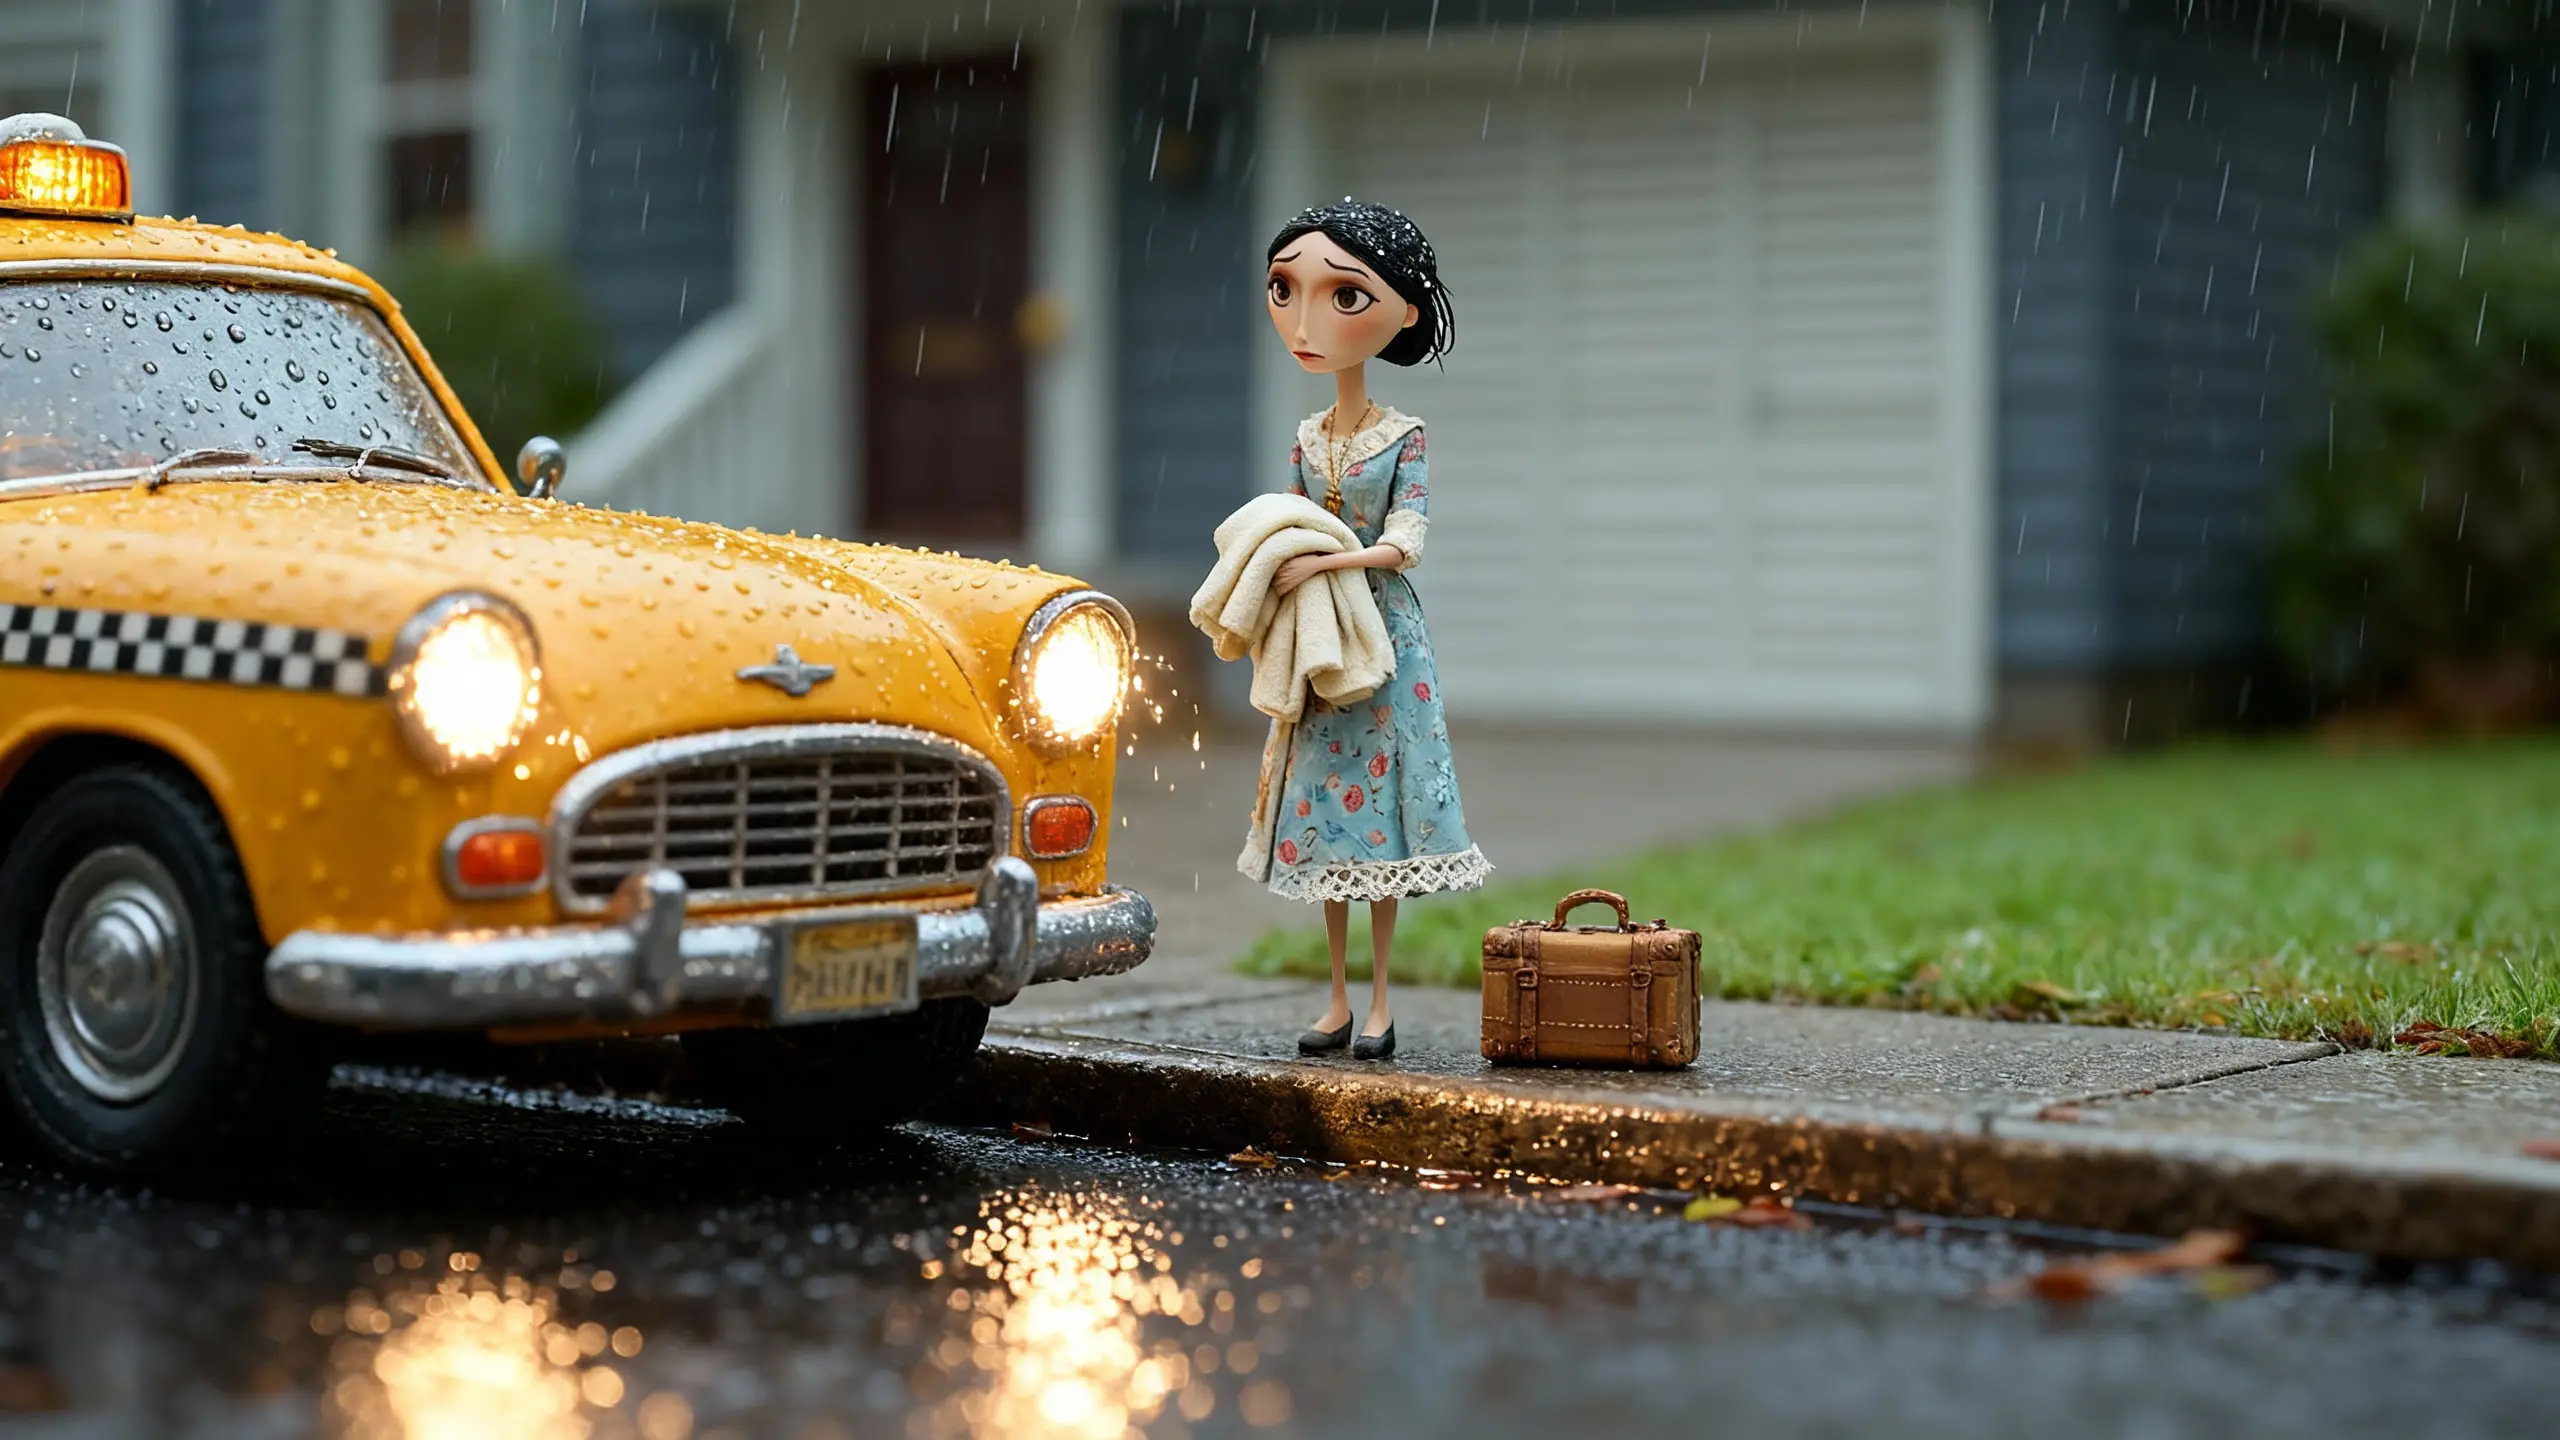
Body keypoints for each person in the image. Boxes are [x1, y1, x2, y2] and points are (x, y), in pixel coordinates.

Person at [1237, 198, 1491, 1063]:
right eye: (1284, 289)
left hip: (1381, 639)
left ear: (1403, 312)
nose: (1306, 321)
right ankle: (1337, 995)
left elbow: (1406, 541)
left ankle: (1381, 999)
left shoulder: (1405, 437)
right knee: (1319, 808)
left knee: (1380, 809)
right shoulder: (1309, 435)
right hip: (1317, 639)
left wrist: (1329, 564)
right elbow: (1288, 518)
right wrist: (1277, 566)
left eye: (1343, 296)